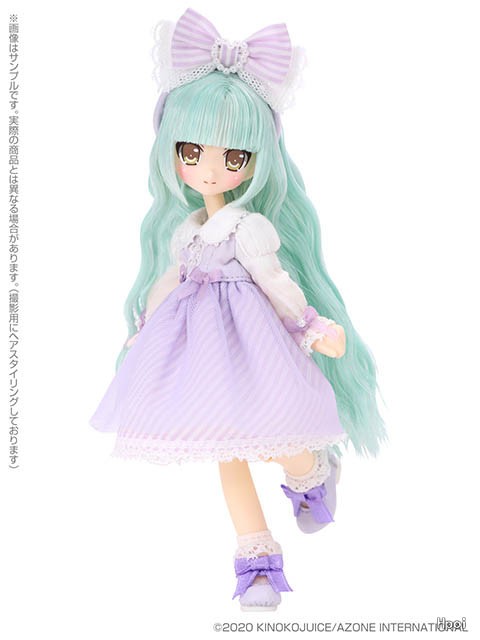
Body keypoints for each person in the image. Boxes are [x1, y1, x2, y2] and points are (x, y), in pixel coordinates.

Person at [90, 8, 386, 611]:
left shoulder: (248, 228)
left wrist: (311, 327)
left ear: (257, 160)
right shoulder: (185, 233)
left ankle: (311, 470)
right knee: (224, 450)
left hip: (252, 350)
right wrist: (142, 332)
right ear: (171, 151)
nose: (208, 169)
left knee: (271, 433)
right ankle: (257, 559)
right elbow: (167, 283)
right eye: (192, 151)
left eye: (233, 157)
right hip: (200, 360)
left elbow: (276, 283)